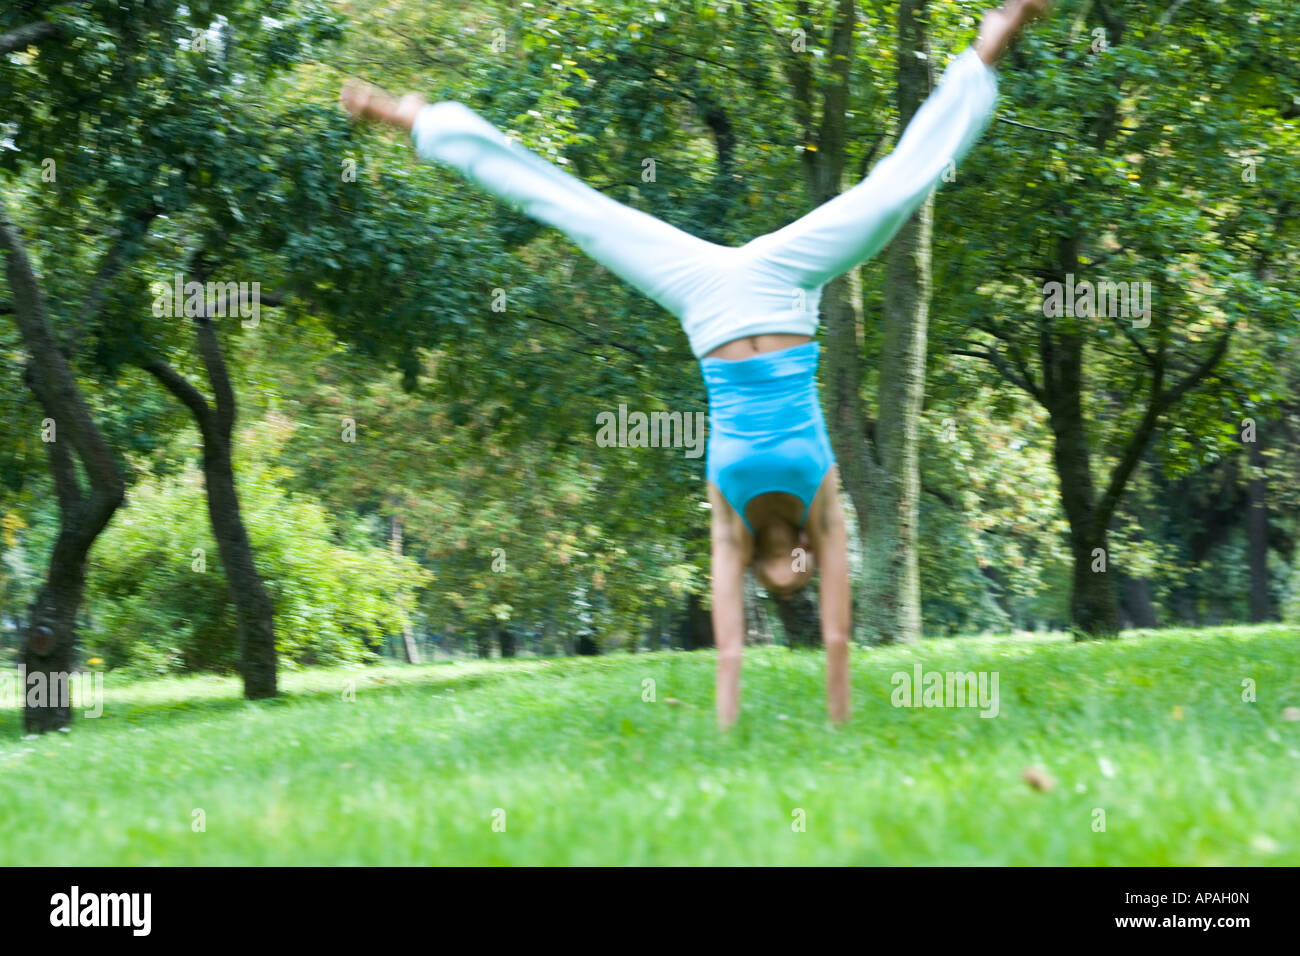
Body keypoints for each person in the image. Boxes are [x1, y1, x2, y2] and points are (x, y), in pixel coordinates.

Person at [341, 0, 1051, 728]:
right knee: (894, 192)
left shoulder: (728, 512)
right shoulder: (821, 500)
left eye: (785, 585)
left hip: (705, 300)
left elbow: (730, 640)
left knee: (574, 209)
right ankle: (992, 40)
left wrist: (726, 711)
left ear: (761, 574)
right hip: (785, 285)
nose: (798, 575)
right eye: (802, 575)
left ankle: (420, 120)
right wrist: (839, 704)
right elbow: (838, 624)